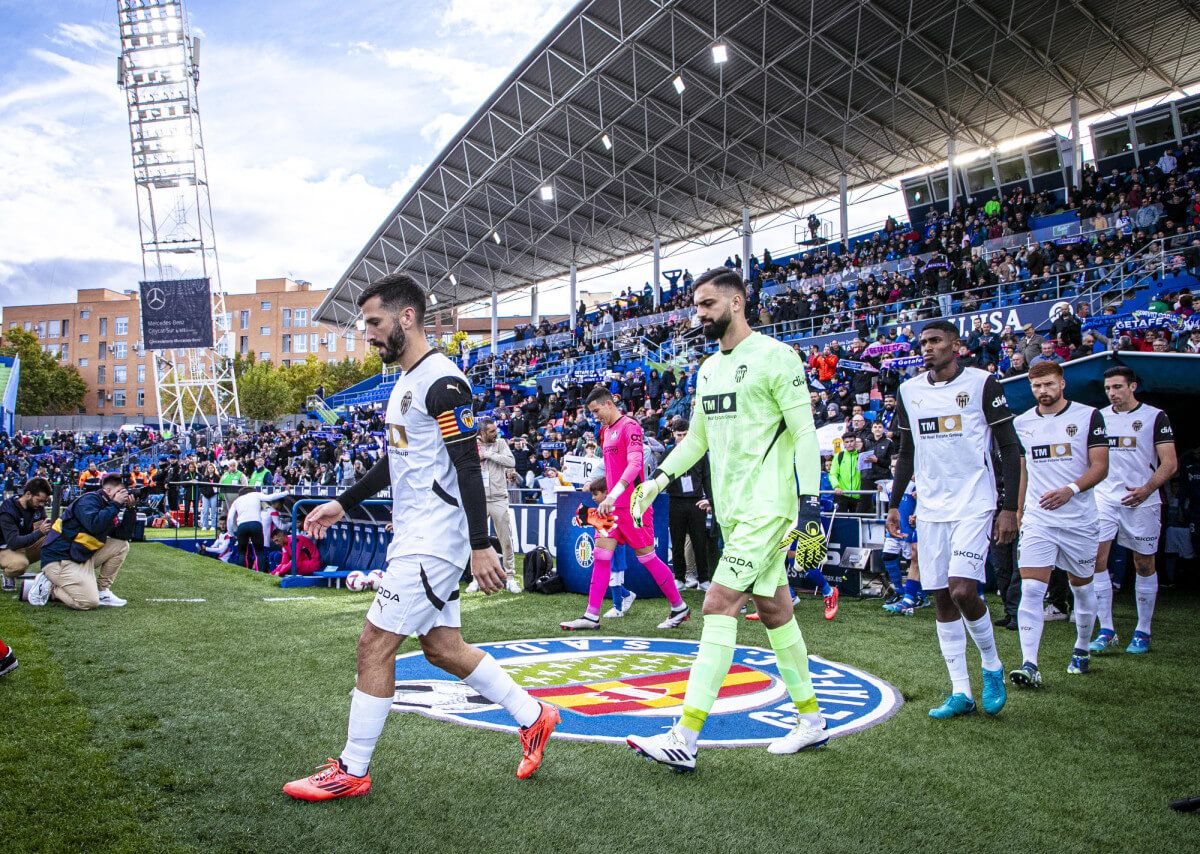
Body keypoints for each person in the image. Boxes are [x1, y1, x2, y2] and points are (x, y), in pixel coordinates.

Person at [283, 272, 558, 802]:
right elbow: (397, 460)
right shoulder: (406, 383)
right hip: (415, 535)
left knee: (373, 644)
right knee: (441, 647)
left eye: (374, 322)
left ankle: (352, 768)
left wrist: (481, 545)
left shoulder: (444, 383)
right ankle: (534, 714)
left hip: (435, 539)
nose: (367, 333)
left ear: (406, 317)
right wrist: (344, 501)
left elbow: (468, 466)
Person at [624, 267, 830, 770]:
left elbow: (805, 433)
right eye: (697, 306)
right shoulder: (708, 370)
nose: (700, 314)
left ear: (737, 303)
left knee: (717, 603)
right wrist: (657, 480)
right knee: (776, 608)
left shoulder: (777, 357)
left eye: (708, 305)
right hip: (734, 510)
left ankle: (685, 736)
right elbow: (697, 440)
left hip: (769, 507)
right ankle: (812, 721)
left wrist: (809, 503)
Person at [887, 319, 1019, 719]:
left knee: (963, 589)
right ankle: (960, 692)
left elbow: (1010, 448)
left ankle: (992, 666)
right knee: (941, 595)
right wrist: (895, 503)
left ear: (955, 345)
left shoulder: (983, 383)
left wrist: (1009, 506)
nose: (927, 348)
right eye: (923, 342)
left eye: (935, 341)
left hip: (974, 502)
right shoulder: (910, 390)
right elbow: (906, 454)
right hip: (930, 507)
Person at [1009, 362, 1109, 688]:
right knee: (1033, 589)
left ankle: (1081, 647)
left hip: (1079, 519)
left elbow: (1101, 467)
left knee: (1082, 587)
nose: (1043, 392)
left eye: (1049, 385)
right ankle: (1029, 663)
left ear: (1062, 384)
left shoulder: (1089, 416)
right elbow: (1024, 470)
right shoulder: (1022, 423)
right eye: (1037, 386)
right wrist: (1019, 509)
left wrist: (1071, 490)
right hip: (1040, 519)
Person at [559, 387, 689, 630]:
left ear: (609, 403)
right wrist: (596, 484)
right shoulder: (605, 431)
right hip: (611, 509)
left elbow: (635, 464)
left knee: (647, 558)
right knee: (601, 555)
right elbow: (610, 468)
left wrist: (614, 494)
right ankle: (591, 615)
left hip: (632, 507)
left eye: (596, 410)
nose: (595, 416)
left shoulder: (630, 427)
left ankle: (679, 607)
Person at [1089, 367, 1177, 655]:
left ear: (1133, 386)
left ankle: (1143, 630)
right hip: (1104, 498)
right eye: (1108, 388)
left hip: (1143, 499)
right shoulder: (1099, 417)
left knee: (1144, 563)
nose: (1112, 393)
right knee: (1096, 560)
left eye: (1117, 387)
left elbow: (1170, 463)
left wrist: (1147, 489)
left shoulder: (1154, 417)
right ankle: (1107, 629)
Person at [25, 473, 136, 609]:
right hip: (60, 558)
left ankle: (102, 591)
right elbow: (94, 525)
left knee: (121, 545)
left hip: (80, 555)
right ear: (108, 490)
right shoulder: (89, 500)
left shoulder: (110, 506)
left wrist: (130, 509)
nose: (123, 496)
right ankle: (52, 587)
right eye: (120, 492)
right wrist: (115, 504)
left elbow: (123, 535)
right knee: (88, 602)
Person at [664, 417, 714, 591]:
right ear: (673, 434)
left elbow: (707, 478)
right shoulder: (668, 453)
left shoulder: (699, 453)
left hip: (696, 501)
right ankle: (679, 577)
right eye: (679, 435)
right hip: (675, 500)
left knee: (699, 541)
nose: (682, 438)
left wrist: (710, 500)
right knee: (677, 541)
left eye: (686, 434)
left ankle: (703, 578)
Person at [474, 417, 520, 594]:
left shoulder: (500, 443)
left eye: (496, 430)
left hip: (499, 498)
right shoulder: (473, 444)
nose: (496, 433)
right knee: (476, 540)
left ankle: (510, 577)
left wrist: (488, 455)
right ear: (483, 432)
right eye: (492, 431)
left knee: (506, 539)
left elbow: (511, 462)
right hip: (478, 499)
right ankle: (475, 578)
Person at [0, 477, 52, 592]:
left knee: (54, 540)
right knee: (20, 564)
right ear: (28, 494)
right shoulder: (8, 510)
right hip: (6, 549)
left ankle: (54, 576)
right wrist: (40, 532)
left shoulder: (36, 507)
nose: (41, 504)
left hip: (24, 545)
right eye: (39, 500)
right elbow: (13, 543)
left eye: (44, 501)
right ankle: (9, 574)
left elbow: (41, 527)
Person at [227, 487, 278, 572]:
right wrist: (286, 492)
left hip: (242, 526)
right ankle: (260, 573)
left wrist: (230, 533)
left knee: (242, 553)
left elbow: (230, 518)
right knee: (259, 552)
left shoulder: (237, 501)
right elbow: (270, 499)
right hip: (256, 525)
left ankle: (242, 573)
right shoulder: (256, 496)